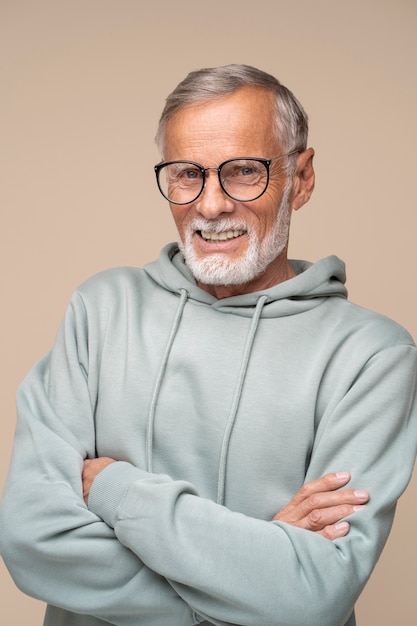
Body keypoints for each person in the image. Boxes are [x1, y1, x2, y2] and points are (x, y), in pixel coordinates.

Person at [1, 64, 417, 626]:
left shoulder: (373, 355)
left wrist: (118, 490)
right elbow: (34, 539)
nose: (212, 204)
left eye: (244, 171)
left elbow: (318, 593)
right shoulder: (100, 310)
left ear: (302, 177)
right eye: (187, 173)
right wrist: (259, 580)